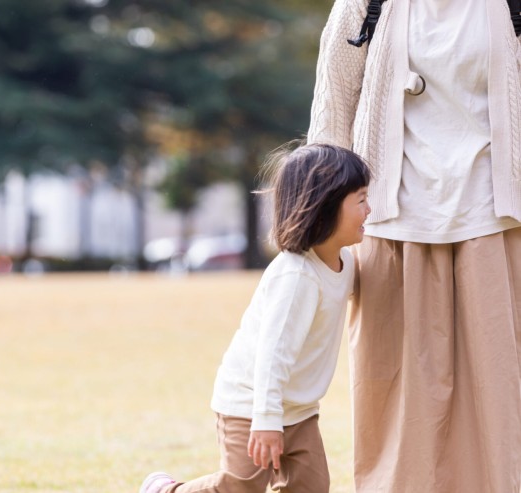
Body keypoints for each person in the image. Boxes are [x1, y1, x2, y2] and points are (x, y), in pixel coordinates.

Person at [308, 0, 521, 491]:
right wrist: (323, 218)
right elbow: (333, 103)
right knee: (398, 410)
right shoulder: (366, 4)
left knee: (498, 406)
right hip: (388, 225)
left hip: (494, 222)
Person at [139, 143, 372, 493]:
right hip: (250, 405)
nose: (370, 210)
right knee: (240, 486)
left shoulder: (345, 263)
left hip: (300, 410)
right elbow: (272, 356)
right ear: (324, 207)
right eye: (361, 200)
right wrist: (266, 421)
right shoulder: (296, 277)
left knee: (310, 487)